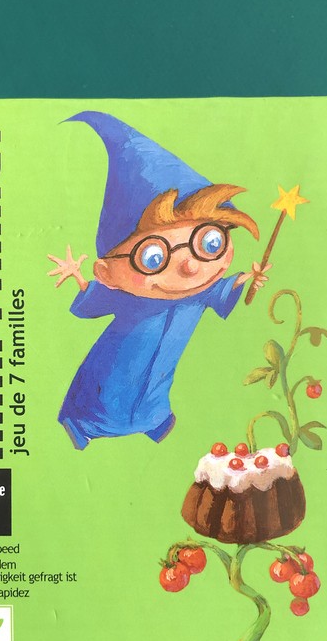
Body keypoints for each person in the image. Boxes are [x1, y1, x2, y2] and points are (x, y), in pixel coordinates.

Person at [48, 112, 269, 449]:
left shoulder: (200, 292)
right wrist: (79, 278)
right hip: (113, 373)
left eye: (209, 242)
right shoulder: (130, 295)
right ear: (108, 271)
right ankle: (85, 424)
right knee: (106, 395)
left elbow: (225, 290)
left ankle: (151, 420)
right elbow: (93, 301)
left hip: (159, 383)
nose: (190, 267)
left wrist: (249, 280)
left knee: (155, 392)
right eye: (154, 256)